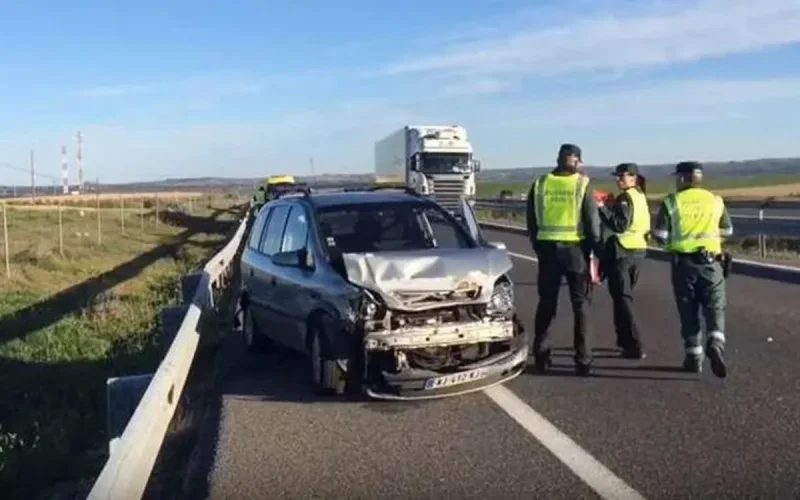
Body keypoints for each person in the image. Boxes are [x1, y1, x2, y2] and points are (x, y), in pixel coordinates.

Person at [526, 143, 603, 377]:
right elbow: (592, 222)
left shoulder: (540, 184)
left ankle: (541, 354)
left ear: (558, 159)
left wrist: (538, 246)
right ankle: (583, 360)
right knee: (581, 305)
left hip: (548, 251)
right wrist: (594, 249)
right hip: (575, 251)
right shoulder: (582, 184)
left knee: (547, 303)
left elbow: (531, 220)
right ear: (577, 161)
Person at [651, 161, 734, 378]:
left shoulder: (672, 202)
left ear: (681, 179)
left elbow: (660, 236)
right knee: (715, 307)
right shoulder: (715, 201)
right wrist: (710, 241)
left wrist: (674, 247)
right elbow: (727, 230)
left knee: (688, 311)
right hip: (712, 262)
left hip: (684, 265)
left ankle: (694, 358)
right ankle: (715, 342)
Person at [597, 163, 650, 359]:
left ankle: (635, 344)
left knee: (623, 300)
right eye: (617, 176)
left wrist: (602, 208)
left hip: (623, 252)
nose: (618, 180)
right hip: (638, 250)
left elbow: (620, 225)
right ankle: (625, 342)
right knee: (621, 299)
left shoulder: (626, 198)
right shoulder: (639, 195)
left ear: (633, 178)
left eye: (622, 176)